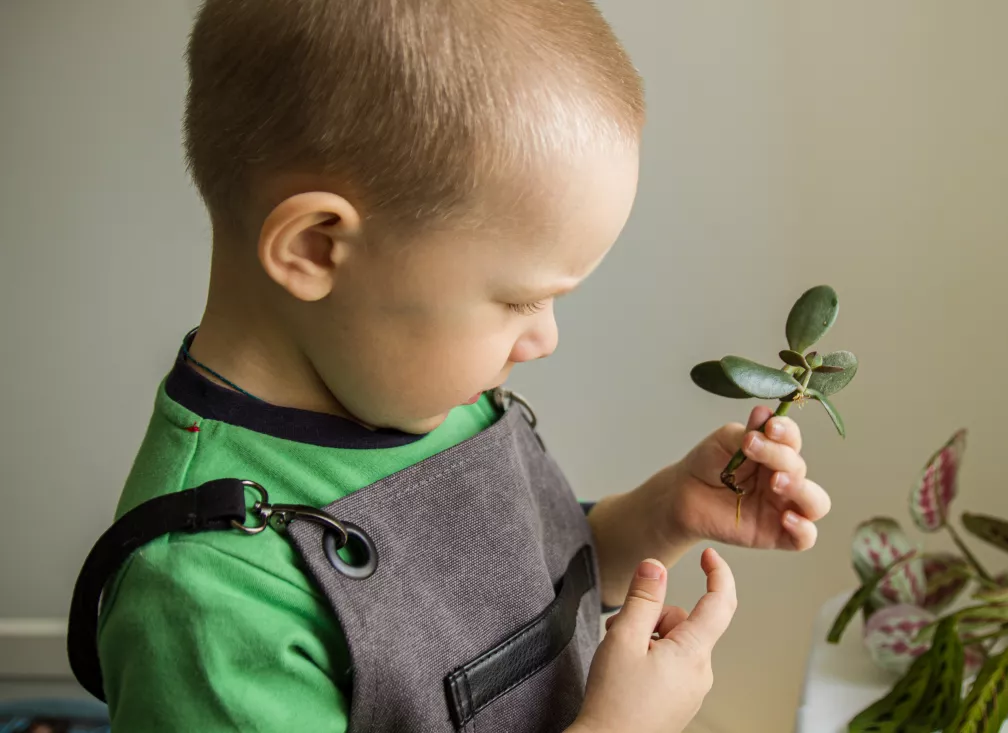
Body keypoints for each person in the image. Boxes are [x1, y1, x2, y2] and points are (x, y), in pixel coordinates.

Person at [70, 1, 832, 731]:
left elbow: (513, 596)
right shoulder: (207, 598)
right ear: (316, 249)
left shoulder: (428, 391)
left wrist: (665, 512)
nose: (545, 340)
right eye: (518, 301)